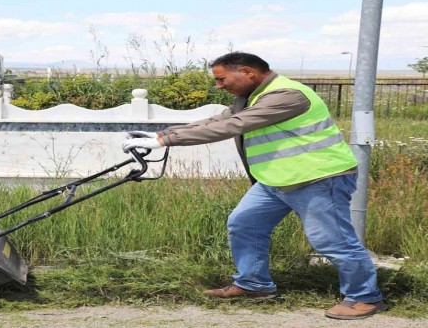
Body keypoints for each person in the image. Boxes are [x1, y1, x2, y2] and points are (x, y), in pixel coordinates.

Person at [121, 52, 385, 320]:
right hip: (275, 180)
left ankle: (364, 297)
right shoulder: (251, 97)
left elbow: (235, 125)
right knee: (244, 225)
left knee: (333, 241)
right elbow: (217, 120)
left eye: (222, 79)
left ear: (247, 72)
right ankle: (254, 285)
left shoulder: (288, 95)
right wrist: (160, 135)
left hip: (318, 178)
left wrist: (165, 142)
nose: (219, 85)